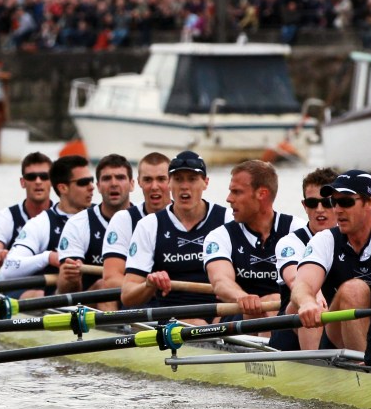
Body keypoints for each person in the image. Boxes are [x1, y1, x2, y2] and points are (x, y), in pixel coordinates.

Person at [121, 150, 232, 322]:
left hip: (222, 312)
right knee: (197, 323)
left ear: (205, 183)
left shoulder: (227, 219)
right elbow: (127, 296)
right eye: (178, 179)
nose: (185, 186)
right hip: (171, 316)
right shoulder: (150, 226)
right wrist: (149, 284)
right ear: (170, 184)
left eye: (192, 179)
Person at [293, 170, 371, 352]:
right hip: (338, 334)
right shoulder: (325, 240)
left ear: (370, 203)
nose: (337, 209)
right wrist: (307, 302)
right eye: (334, 201)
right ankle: (367, 368)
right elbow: (303, 284)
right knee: (354, 289)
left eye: (346, 202)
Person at [203, 160, 302, 321]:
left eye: (237, 192)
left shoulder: (296, 229)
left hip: (286, 314)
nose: (229, 199)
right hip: (239, 315)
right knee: (261, 307)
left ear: (262, 194)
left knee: (272, 301)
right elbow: (221, 281)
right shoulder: (220, 236)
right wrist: (243, 297)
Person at [0, 154, 95, 297]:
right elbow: (8, 268)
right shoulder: (41, 223)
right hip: (53, 296)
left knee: (102, 286)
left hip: (94, 294)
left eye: (92, 181)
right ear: (63, 188)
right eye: (83, 182)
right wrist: (47, 257)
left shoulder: (103, 217)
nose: (91, 187)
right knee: (34, 295)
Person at [272, 167, 338, 350]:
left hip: (334, 324)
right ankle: (315, 366)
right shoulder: (290, 242)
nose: (319, 209)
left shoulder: (351, 239)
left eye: (326, 203)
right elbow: (294, 279)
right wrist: (311, 296)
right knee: (309, 305)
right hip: (291, 333)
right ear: (304, 206)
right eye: (312, 203)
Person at [56, 153, 135, 295]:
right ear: (98, 186)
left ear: (132, 184)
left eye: (120, 177)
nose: (113, 183)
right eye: (106, 179)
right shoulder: (77, 224)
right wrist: (70, 278)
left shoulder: (146, 221)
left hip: (137, 299)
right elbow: (64, 291)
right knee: (103, 285)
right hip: (90, 302)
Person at [99, 152, 171, 292]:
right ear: (139, 182)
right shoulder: (123, 219)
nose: (154, 186)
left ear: (172, 181)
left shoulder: (187, 217)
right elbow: (111, 279)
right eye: (148, 180)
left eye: (161, 179)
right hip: (140, 301)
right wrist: (151, 287)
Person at [0, 151, 53, 276]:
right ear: (22, 182)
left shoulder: (64, 216)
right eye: (31, 177)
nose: (38, 181)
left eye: (44, 176)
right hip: (18, 286)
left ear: (52, 181)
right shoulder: (5, 218)